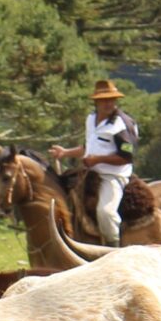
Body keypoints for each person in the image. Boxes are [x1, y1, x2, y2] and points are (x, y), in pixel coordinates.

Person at [53, 79, 140, 243]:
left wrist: (98, 160)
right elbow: (89, 148)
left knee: (105, 212)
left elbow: (127, 157)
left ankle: (114, 248)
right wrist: (65, 153)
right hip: (90, 173)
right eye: (104, 100)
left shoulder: (123, 124)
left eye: (111, 99)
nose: (108, 103)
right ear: (96, 102)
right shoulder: (91, 120)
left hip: (112, 176)